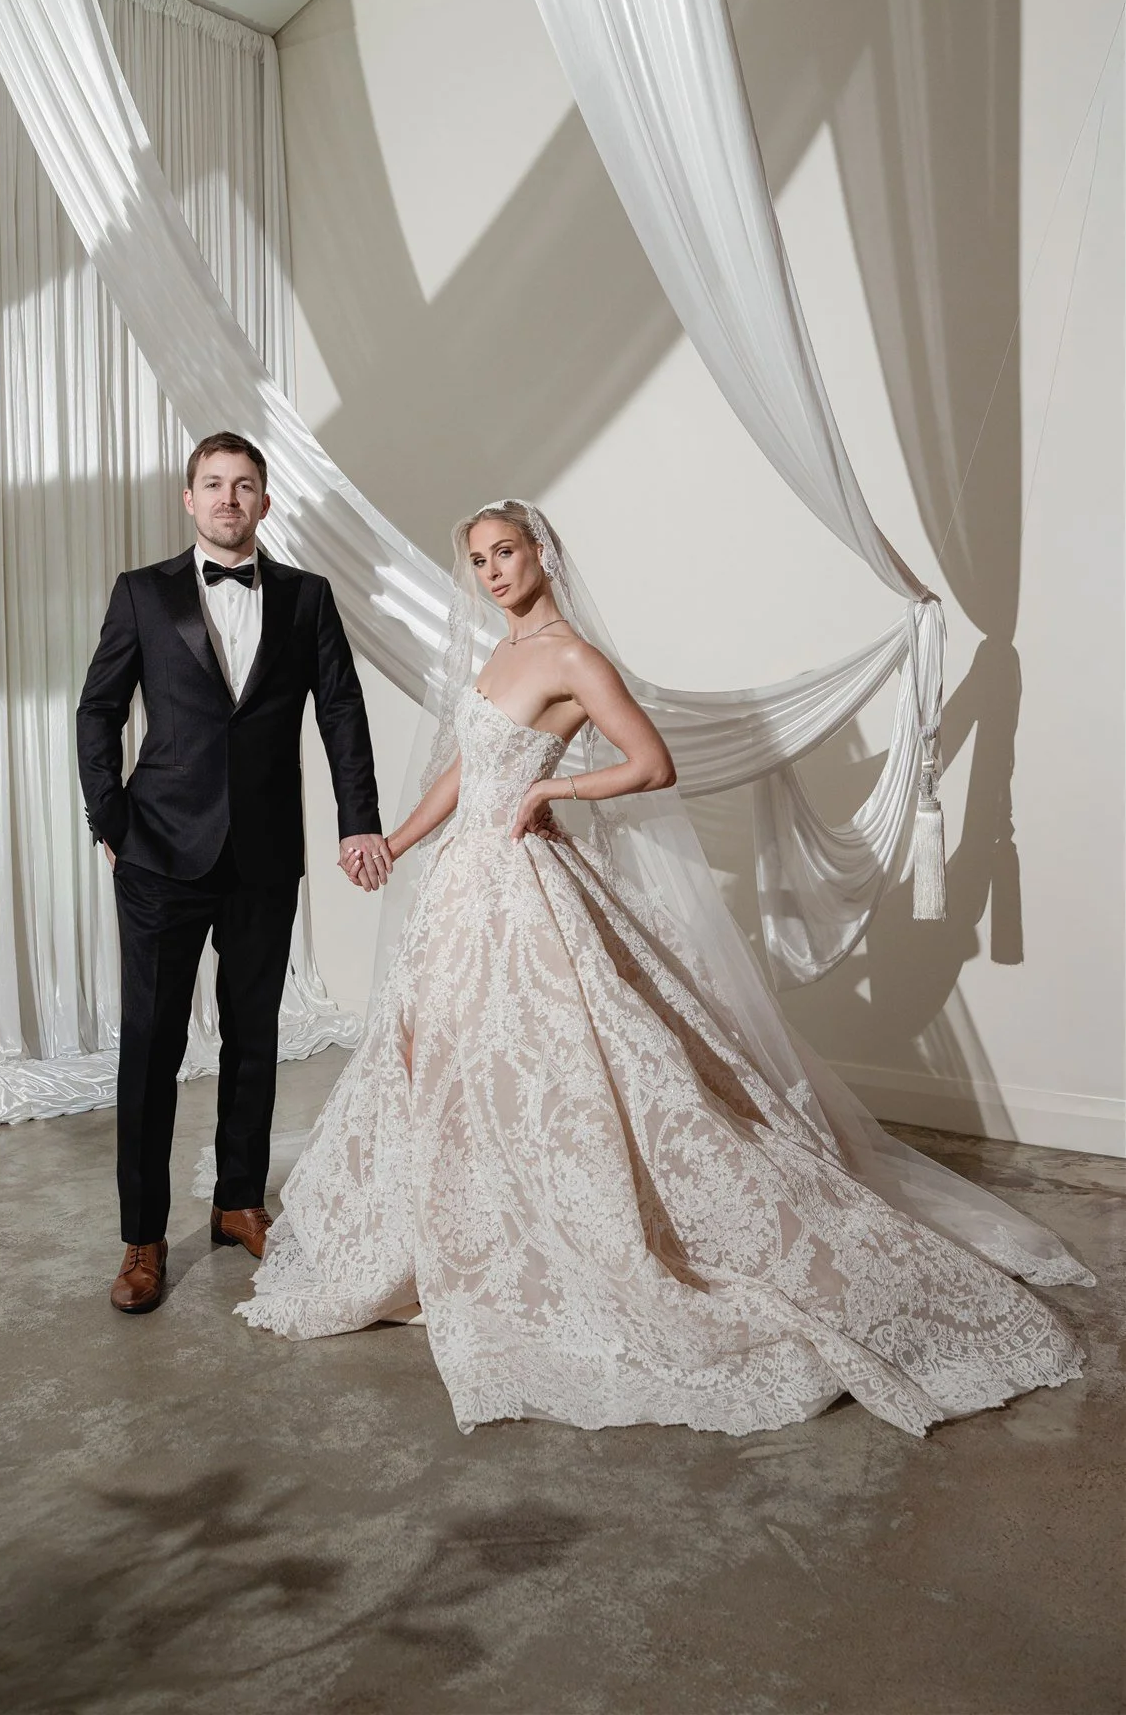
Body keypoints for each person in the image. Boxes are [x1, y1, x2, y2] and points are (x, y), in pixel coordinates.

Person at [237, 501, 1091, 1436]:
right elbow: (463, 768)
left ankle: (569, 1230)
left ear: (541, 554)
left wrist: (554, 787)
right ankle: (464, 1228)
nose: (489, 572)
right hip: (460, 884)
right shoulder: (497, 654)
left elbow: (650, 764)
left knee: (555, 1065)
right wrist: (395, 843)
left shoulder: (571, 657)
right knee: (438, 1057)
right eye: (477, 559)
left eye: (504, 553)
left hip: (521, 885)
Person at [76, 432, 391, 1315]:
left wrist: (356, 819)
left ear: (264, 501)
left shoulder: (305, 598)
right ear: (189, 499)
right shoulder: (142, 593)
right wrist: (111, 821)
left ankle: (238, 1203)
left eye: (244, 485)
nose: (228, 498)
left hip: (261, 855)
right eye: (212, 484)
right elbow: (98, 709)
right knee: (151, 1049)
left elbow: (341, 711)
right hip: (158, 857)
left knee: (255, 1036)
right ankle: (142, 1241)